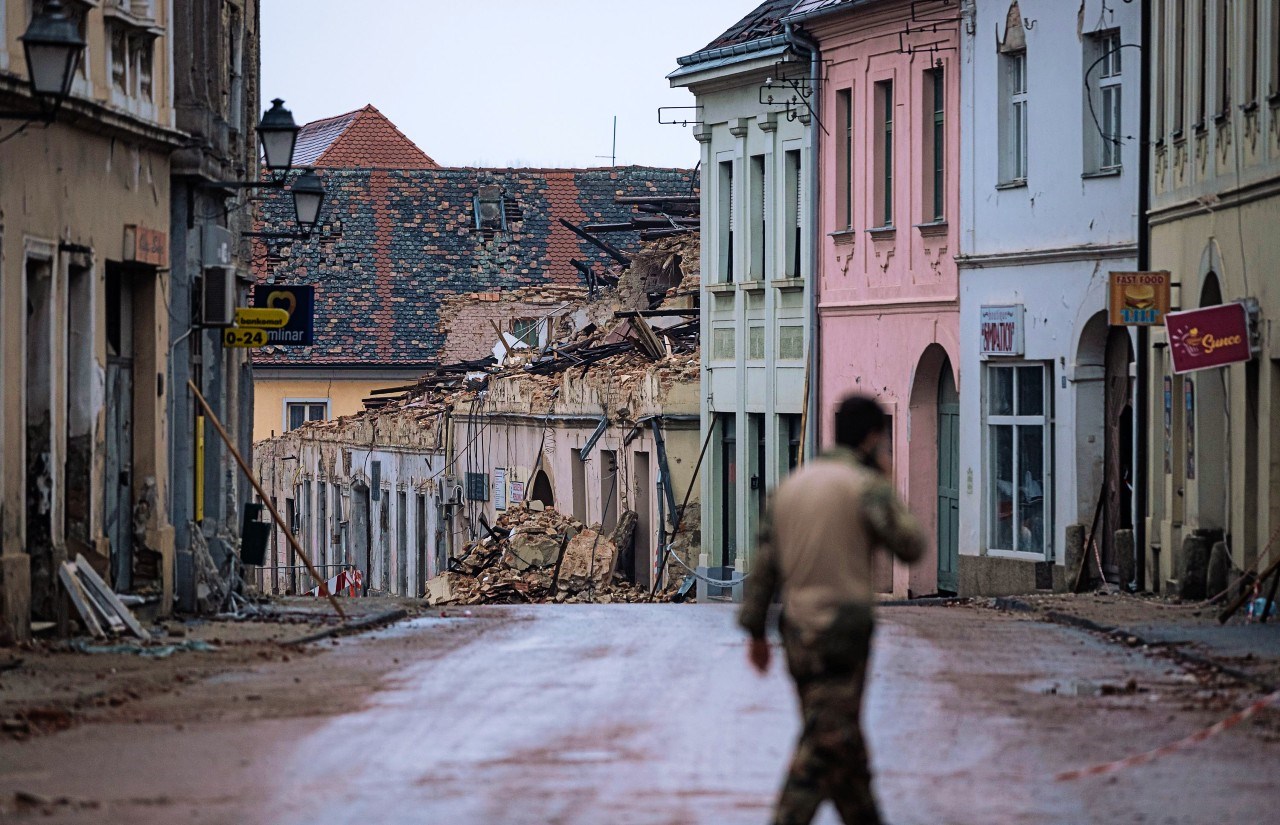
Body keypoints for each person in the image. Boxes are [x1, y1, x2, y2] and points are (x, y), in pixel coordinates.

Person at [739, 394, 926, 825]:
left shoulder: (791, 486)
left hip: (798, 634)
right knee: (827, 741)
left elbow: (765, 568)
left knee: (839, 740)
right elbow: (911, 545)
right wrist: (887, 481)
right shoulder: (865, 486)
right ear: (874, 437)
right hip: (842, 633)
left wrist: (755, 633)